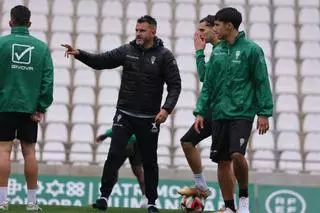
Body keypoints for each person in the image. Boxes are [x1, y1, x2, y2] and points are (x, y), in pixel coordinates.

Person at [62, 15, 181, 213]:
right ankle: (103, 197)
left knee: (150, 162)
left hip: (149, 119)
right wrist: (80, 54)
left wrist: (166, 109)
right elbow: (102, 61)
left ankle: (152, 202)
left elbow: (175, 86)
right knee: (114, 155)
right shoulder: (127, 50)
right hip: (124, 114)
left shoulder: (164, 56)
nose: (138, 34)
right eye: (136, 30)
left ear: (153, 32)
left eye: (142, 30)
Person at [194, 8, 273, 213]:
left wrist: (264, 112)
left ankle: (244, 198)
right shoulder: (218, 51)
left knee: (237, 155)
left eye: (218, 25)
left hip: (242, 112)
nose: (215, 28)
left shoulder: (252, 50)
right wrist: (200, 111)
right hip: (220, 113)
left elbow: (261, 81)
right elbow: (208, 84)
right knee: (222, 161)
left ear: (229, 25)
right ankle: (230, 207)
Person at [177, 15, 238, 209]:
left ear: (214, 29)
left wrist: (199, 52)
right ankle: (201, 187)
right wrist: (200, 53)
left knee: (226, 161)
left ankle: (231, 205)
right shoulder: (216, 51)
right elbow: (205, 76)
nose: (199, 34)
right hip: (213, 111)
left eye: (203, 30)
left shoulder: (224, 51)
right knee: (187, 142)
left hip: (226, 112)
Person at [0, 5, 54, 211]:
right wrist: (41, 106)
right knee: (29, 152)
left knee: (3, 151)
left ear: (10, 22)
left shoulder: (1, 44)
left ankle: (1, 201)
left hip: (3, 106)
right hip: (30, 108)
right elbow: (47, 80)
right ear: (29, 24)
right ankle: (32, 203)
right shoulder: (41, 48)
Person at [95, 128, 148, 208]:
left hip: (135, 143)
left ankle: (146, 198)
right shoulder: (120, 126)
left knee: (137, 171)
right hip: (124, 143)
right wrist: (104, 136)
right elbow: (115, 129)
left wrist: (104, 136)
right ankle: (104, 197)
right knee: (113, 169)